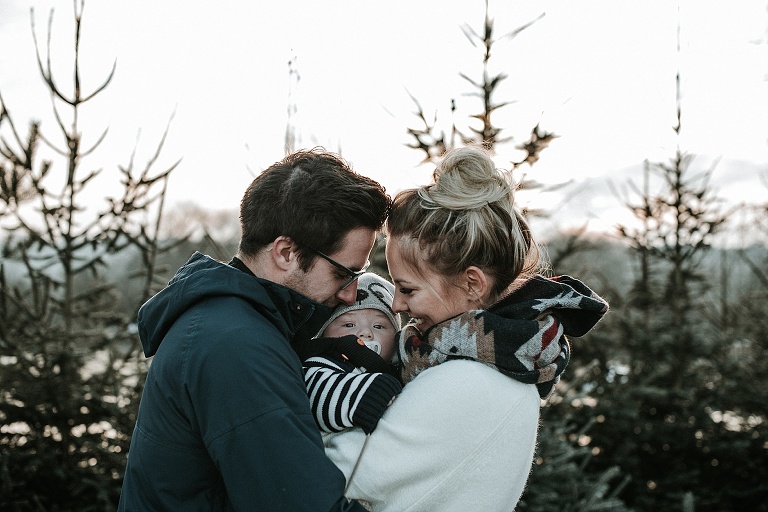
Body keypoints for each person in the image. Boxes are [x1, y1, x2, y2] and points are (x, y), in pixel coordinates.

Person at [323, 146, 609, 511]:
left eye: (408, 288)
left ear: (473, 283)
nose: (396, 305)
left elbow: (338, 474)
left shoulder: (467, 380)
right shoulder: (492, 359)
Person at [118, 148, 391, 512]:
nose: (350, 294)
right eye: (343, 274)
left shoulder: (234, 323)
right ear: (285, 253)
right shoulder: (236, 347)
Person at [302, 272, 403, 435]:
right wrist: (367, 394)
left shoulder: (401, 370)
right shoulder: (322, 360)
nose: (365, 333)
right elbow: (313, 390)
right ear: (323, 334)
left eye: (378, 326)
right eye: (349, 324)